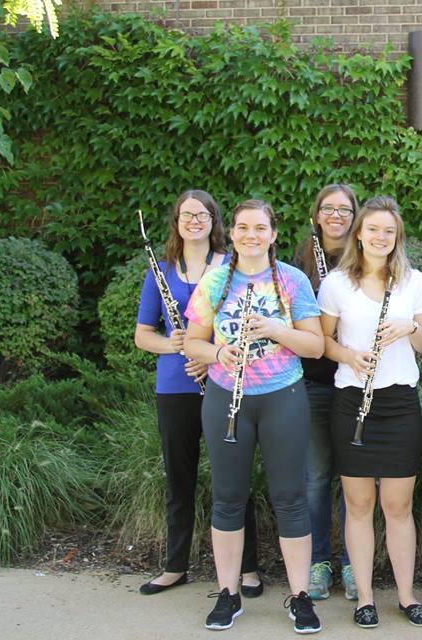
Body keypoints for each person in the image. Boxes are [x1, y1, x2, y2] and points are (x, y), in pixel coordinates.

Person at [184, 199, 325, 633]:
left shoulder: (292, 280)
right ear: (233, 234)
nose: (251, 235)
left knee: (291, 498)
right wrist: (219, 352)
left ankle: (300, 596)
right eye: (243, 227)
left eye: (260, 227)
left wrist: (276, 330)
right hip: (228, 397)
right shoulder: (214, 282)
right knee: (227, 497)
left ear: (273, 233)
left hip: (282, 396)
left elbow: (316, 346)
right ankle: (228, 594)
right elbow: (192, 343)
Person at [134, 190, 262, 599]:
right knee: (180, 477)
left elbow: (244, 323)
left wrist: (209, 354)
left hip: (224, 381)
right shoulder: (160, 271)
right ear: (176, 221)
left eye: (203, 214)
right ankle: (175, 566)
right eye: (187, 215)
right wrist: (176, 345)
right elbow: (142, 336)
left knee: (234, 476)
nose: (195, 221)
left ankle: (248, 569)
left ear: (214, 221)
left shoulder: (232, 266)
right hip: (175, 385)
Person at [317, 195, 422, 629]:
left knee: (398, 505)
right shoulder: (335, 284)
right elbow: (323, 342)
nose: (381, 237)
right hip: (352, 402)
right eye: (373, 229)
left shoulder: (414, 281)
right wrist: (348, 356)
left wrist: (411, 328)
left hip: (399, 403)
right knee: (359, 503)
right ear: (360, 234)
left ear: (396, 236)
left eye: (389, 230)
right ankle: (365, 598)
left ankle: (406, 596)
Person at [293, 184, 359, 601]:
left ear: (355, 216)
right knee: (316, 477)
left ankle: (354, 564)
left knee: (354, 479)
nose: (336, 215)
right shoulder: (297, 265)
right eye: (328, 209)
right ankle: (319, 561)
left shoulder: (365, 260)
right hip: (316, 382)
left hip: (354, 383)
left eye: (344, 209)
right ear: (316, 215)